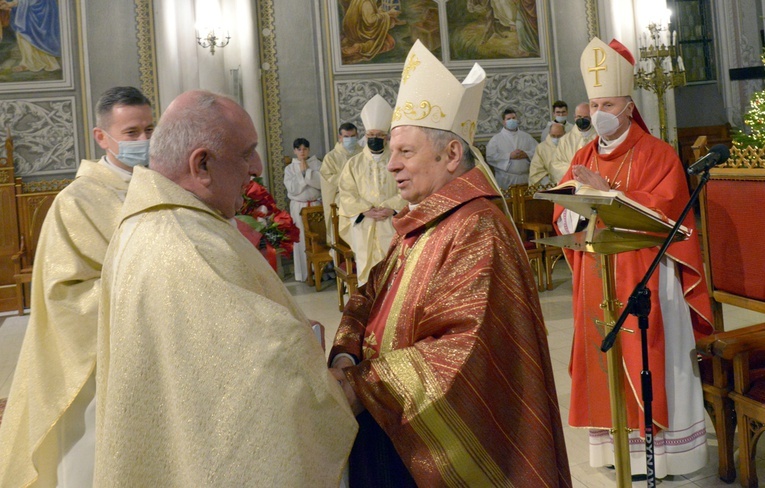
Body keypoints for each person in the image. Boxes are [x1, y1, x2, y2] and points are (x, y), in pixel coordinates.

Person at [329, 39, 570, 487]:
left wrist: (362, 386)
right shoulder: (425, 220)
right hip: (390, 418)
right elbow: (369, 292)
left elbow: (462, 349)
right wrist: (346, 352)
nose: (392, 166)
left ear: (452, 155)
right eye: (392, 152)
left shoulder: (476, 227)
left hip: (428, 434)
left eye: (406, 152)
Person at [94, 90, 357, 486]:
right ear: (201, 164)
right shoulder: (186, 244)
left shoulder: (156, 220)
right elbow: (265, 375)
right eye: (247, 152)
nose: (257, 166)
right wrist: (343, 387)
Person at [553, 37, 713, 478]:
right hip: (596, 274)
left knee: (651, 354)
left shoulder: (657, 153)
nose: (597, 111)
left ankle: (665, 453)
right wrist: (575, 203)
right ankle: (613, 449)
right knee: (602, 356)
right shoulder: (583, 154)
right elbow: (563, 212)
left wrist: (611, 194)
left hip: (647, 276)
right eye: (593, 102)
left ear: (627, 106)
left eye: (607, 102)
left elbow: (670, 215)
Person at [0, 86, 154, 487]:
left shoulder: (161, 187)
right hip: (99, 358)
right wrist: (150, 291)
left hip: (156, 347)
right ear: (101, 137)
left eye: (151, 129)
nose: (145, 141)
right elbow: (63, 295)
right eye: (133, 132)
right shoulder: (77, 201)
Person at [337, 94, 406, 286]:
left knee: (393, 271)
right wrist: (365, 209)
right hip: (365, 223)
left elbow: (407, 187)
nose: (374, 139)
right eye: (371, 136)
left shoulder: (398, 161)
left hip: (390, 222)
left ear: (386, 137)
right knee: (367, 273)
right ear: (365, 136)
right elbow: (346, 192)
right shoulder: (354, 164)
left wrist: (391, 208)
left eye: (379, 136)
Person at [284, 137, 322, 282]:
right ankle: (304, 273)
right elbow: (292, 189)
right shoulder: (289, 168)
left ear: (309, 150)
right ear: (294, 151)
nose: (302, 152)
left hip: (315, 205)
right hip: (299, 207)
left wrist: (308, 173)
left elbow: (321, 184)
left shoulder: (317, 164)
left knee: (318, 237)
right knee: (301, 239)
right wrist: (302, 174)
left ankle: (321, 272)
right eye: (299, 149)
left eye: (305, 149)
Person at [320, 122, 362, 244]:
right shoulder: (331, 157)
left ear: (357, 135)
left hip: (364, 196)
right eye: (346, 137)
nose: (350, 139)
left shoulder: (364, 154)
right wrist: (347, 179)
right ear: (340, 138)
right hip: (342, 199)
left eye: (352, 136)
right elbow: (327, 178)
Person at [0, 0, 61, 72]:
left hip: (39, 9)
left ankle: (47, 62)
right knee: (21, 34)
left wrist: (13, 3)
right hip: (25, 9)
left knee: (34, 36)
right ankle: (27, 63)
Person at [486, 107, 538, 188]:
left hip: (525, 178)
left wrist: (526, 154)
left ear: (517, 119)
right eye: (508, 119)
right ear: (504, 122)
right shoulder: (496, 139)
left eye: (514, 118)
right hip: (506, 179)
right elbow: (490, 157)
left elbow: (538, 151)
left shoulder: (526, 137)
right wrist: (509, 156)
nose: (512, 120)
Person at [551, 101, 596, 174]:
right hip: (572, 181)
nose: (582, 119)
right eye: (579, 117)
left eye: (586, 117)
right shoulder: (565, 140)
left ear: (592, 117)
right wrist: (575, 170)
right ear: (574, 117)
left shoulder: (599, 137)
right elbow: (556, 164)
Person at [529, 121, 565, 185]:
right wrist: (548, 183)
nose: (556, 139)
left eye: (559, 136)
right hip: (549, 185)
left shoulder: (571, 146)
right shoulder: (541, 148)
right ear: (549, 133)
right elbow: (536, 170)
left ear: (564, 134)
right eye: (553, 136)